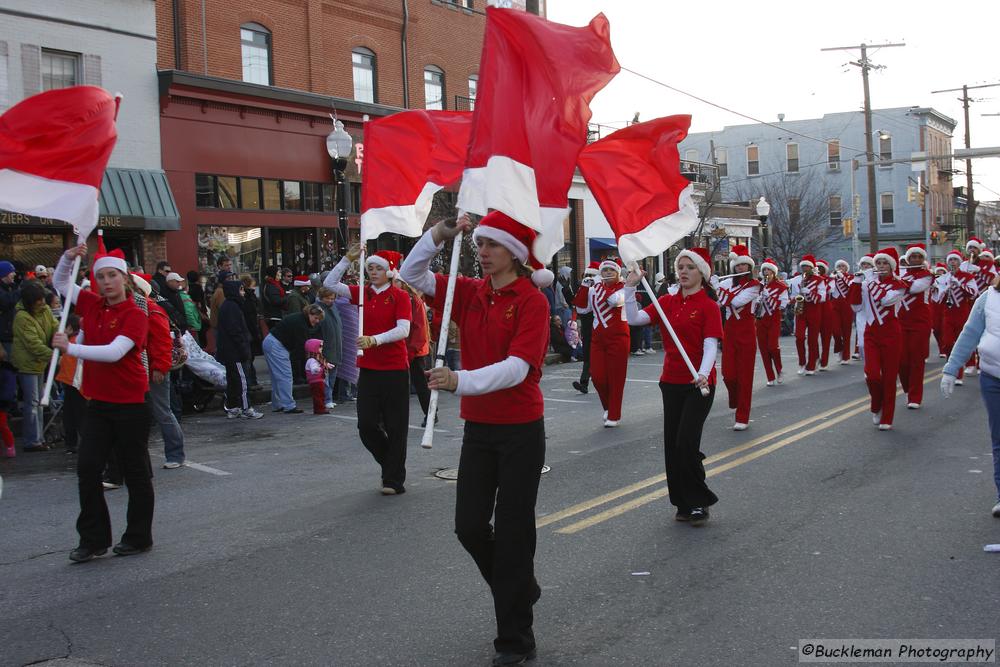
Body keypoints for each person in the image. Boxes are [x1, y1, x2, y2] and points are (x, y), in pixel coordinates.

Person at [399, 211, 550, 666]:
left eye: (492, 246)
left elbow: (518, 369)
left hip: (521, 431)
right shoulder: (468, 292)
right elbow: (411, 273)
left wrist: (458, 380)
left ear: (516, 255)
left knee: (511, 535)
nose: (482, 252)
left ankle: (515, 640)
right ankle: (520, 587)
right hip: (480, 431)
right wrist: (440, 234)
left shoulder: (531, 301)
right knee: (468, 527)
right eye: (480, 244)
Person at [52, 244, 153, 563]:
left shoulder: (136, 315)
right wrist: (68, 258)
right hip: (98, 402)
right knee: (87, 468)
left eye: (112, 275)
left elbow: (113, 352)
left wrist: (71, 349)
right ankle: (93, 539)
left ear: (124, 279)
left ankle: (138, 537)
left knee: (135, 471)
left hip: (131, 403)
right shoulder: (93, 305)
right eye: (100, 276)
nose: (106, 281)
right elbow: (62, 284)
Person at [623, 246, 721, 525]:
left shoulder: (708, 306)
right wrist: (630, 289)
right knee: (672, 445)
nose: (684, 272)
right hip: (671, 381)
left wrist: (703, 372)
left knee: (686, 443)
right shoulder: (666, 301)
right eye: (680, 268)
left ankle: (699, 501)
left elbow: (710, 344)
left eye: (690, 267)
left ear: (701, 273)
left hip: (699, 384)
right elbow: (634, 319)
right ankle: (682, 501)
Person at [324, 246, 412, 495]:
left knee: (396, 426)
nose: (373, 272)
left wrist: (375, 340)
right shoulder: (362, 293)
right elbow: (330, 283)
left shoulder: (400, 296)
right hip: (370, 370)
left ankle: (393, 479)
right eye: (370, 268)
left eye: (378, 268)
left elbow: (403, 329)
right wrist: (346, 259)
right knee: (366, 425)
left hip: (395, 368)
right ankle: (390, 465)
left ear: (389, 272)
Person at [940, 272, 1000, 518]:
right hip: (992, 377)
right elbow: (969, 335)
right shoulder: (987, 298)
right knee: (999, 438)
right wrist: (951, 369)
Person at [849, 247, 907, 430]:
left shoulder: (899, 285)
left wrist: (870, 281)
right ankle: (876, 405)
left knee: (889, 378)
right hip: (871, 333)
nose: (881, 266)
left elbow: (885, 300)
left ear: (891, 267)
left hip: (891, 333)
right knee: (872, 375)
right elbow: (856, 307)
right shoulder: (867, 284)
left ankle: (887, 417)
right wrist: (856, 282)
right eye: (878, 263)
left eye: (884, 263)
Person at [134, 272, 188, 468]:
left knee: (162, 412)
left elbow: (162, 343)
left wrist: (159, 368)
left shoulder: (153, 311)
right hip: (138, 368)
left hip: (154, 368)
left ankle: (175, 454)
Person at [573, 257, 629, 427]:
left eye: (611, 270)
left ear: (618, 273)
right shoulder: (594, 289)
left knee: (616, 378)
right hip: (598, 339)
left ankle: (614, 414)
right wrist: (584, 287)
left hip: (618, 338)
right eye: (604, 270)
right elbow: (582, 308)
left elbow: (614, 301)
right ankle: (608, 408)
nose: (607, 273)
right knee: (597, 377)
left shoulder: (625, 289)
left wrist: (598, 286)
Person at [714, 245, 760, 430]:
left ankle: (742, 416)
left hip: (747, 330)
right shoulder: (726, 284)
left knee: (745, 377)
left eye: (744, 265)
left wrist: (718, 288)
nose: (740, 268)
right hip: (730, 330)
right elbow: (717, 302)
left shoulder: (755, 285)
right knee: (728, 374)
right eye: (738, 266)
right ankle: (735, 399)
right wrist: (710, 285)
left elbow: (736, 301)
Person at [12, 280, 57, 452]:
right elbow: (33, 344)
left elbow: (54, 326)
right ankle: (32, 440)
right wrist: (53, 355)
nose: (43, 303)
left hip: (40, 362)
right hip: (28, 363)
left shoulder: (44, 310)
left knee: (38, 402)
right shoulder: (22, 317)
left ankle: (39, 437)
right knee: (32, 402)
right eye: (39, 300)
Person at [262, 303, 324, 414]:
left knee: (277, 377)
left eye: (319, 319)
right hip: (277, 345)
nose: (317, 321)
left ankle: (278, 404)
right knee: (285, 375)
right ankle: (288, 405)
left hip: (272, 341)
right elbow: (301, 347)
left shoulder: (300, 319)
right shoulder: (301, 324)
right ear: (310, 314)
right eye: (316, 318)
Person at [216, 278, 263, 419]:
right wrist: (243, 348)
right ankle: (245, 407)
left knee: (233, 380)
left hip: (230, 351)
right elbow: (235, 331)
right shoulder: (232, 307)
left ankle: (233, 407)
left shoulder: (229, 306)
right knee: (242, 380)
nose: (243, 292)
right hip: (235, 351)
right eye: (241, 289)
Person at [896, 244, 933, 409]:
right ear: (908, 259)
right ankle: (908, 390)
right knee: (902, 361)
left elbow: (913, 289)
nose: (916, 259)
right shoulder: (901, 275)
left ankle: (915, 397)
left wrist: (894, 279)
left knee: (917, 360)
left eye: (919, 257)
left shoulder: (927, 276)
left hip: (920, 321)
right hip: (902, 322)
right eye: (913, 257)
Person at [934, 249, 978, 385]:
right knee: (947, 343)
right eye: (951, 260)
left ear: (959, 262)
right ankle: (953, 369)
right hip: (948, 314)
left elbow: (973, 293)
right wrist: (945, 289)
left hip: (963, 313)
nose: (953, 262)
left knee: (962, 342)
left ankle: (964, 369)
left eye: (955, 260)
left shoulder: (967, 277)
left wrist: (960, 285)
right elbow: (937, 298)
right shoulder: (943, 278)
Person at [398, 279, 432, 426]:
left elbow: (419, 329)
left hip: (414, 350)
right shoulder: (400, 298)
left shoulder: (413, 300)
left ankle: (430, 413)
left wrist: (411, 351)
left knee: (421, 385)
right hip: (403, 349)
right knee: (398, 384)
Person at [789, 254, 826, 375]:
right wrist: (795, 299)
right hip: (801, 310)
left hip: (814, 310)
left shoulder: (819, 280)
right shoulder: (797, 280)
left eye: (807, 266)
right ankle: (802, 363)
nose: (804, 269)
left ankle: (812, 364)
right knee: (799, 337)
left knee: (812, 339)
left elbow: (823, 297)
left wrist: (810, 292)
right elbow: (792, 296)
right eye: (803, 266)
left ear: (812, 268)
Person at [754, 258, 789, 387]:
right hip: (760, 320)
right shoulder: (759, 286)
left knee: (773, 347)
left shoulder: (781, 286)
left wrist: (770, 297)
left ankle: (779, 370)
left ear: (773, 272)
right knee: (763, 349)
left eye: (768, 270)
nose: (766, 272)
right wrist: (757, 300)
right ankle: (770, 376)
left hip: (773, 319)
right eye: (764, 270)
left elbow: (784, 304)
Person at [55, 314, 85, 454]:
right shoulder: (75, 341)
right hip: (73, 384)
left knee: (73, 416)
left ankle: (73, 443)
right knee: (74, 416)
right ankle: (75, 442)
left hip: (74, 384)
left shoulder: (73, 343)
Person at [570, 261, 598, 394]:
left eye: (591, 275)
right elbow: (580, 307)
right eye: (588, 275)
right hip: (588, 327)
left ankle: (604, 382)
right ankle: (584, 383)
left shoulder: (599, 289)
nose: (589, 278)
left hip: (600, 327)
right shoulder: (584, 288)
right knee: (587, 357)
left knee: (598, 358)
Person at [315, 286, 342, 410]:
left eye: (332, 298)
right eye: (328, 298)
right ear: (321, 298)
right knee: (325, 376)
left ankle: (329, 398)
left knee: (331, 375)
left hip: (335, 346)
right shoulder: (318, 309)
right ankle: (327, 399)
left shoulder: (332, 308)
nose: (330, 300)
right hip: (325, 347)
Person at [239, 274, 263, 388]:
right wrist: (256, 334)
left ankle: (251, 381)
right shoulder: (249, 299)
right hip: (250, 332)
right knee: (248, 358)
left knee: (249, 358)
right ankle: (250, 382)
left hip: (250, 331)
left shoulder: (248, 298)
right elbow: (251, 318)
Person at [831, 260, 855, 365]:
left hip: (846, 305)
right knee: (835, 330)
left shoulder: (850, 277)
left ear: (846, 268)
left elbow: (851, 286)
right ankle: (839, 348)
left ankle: (846, 356)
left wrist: (842, 277)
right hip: (834, 305)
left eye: (843, 266)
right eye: (839, 266)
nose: (840, 267)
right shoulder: (832, 278)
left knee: (846, 331)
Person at [305, 338, 333, 414]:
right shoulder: (312, 360)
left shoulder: (318, 358)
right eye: (320, 347)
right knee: (318, 395)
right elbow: (313, 368)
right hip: (316, 381)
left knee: (320, 394)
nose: (321, 349)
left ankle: (319, 408)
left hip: (319, 380)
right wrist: (317, 369)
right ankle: (320, 409)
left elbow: (323, 364)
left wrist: (327, 365)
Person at [0, 260, 19, 358]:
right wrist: (20, 291)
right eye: (12, 272)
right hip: (4, 337)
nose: (14, 274)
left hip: (13, 336)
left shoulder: (11, 287)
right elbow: (5, 301)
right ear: (4, 274)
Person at [0, 344, 16, 457]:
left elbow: (9, 388)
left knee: (2, 425)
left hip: (1, 403)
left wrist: (5, 399)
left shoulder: (6, 368)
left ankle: (9, 445)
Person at [261, 265, 288, 332]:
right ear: (274, 274)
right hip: (274, 316)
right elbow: (276, 301)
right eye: (279, 272)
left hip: (276, 315)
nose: (280, 274)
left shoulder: (275, 284)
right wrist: (287, 297)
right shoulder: (271, 286)